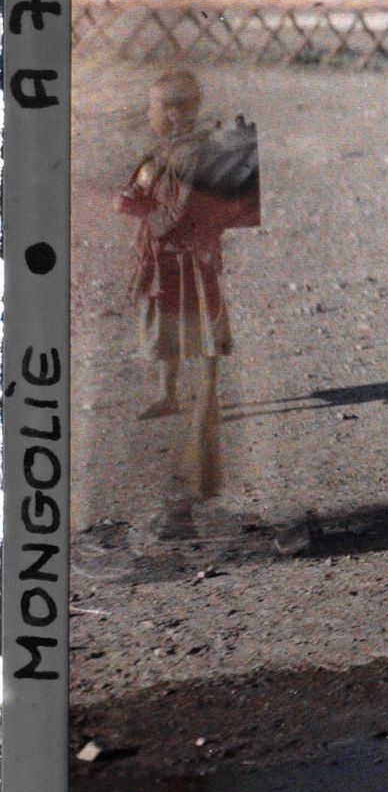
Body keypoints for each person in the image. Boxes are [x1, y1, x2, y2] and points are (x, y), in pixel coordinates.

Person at [116, 68, 260, 506]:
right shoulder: (165, 150)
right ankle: (167, 391)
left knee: (197, 320)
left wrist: (144, 215)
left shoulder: (196, 155)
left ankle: (206, 396)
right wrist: (135, 200)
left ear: (178, 113)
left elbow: (183, 210)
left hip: (189, 255)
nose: (149, 113)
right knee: (162, 318)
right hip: (163, 256)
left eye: (155, 106)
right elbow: (146, 184)